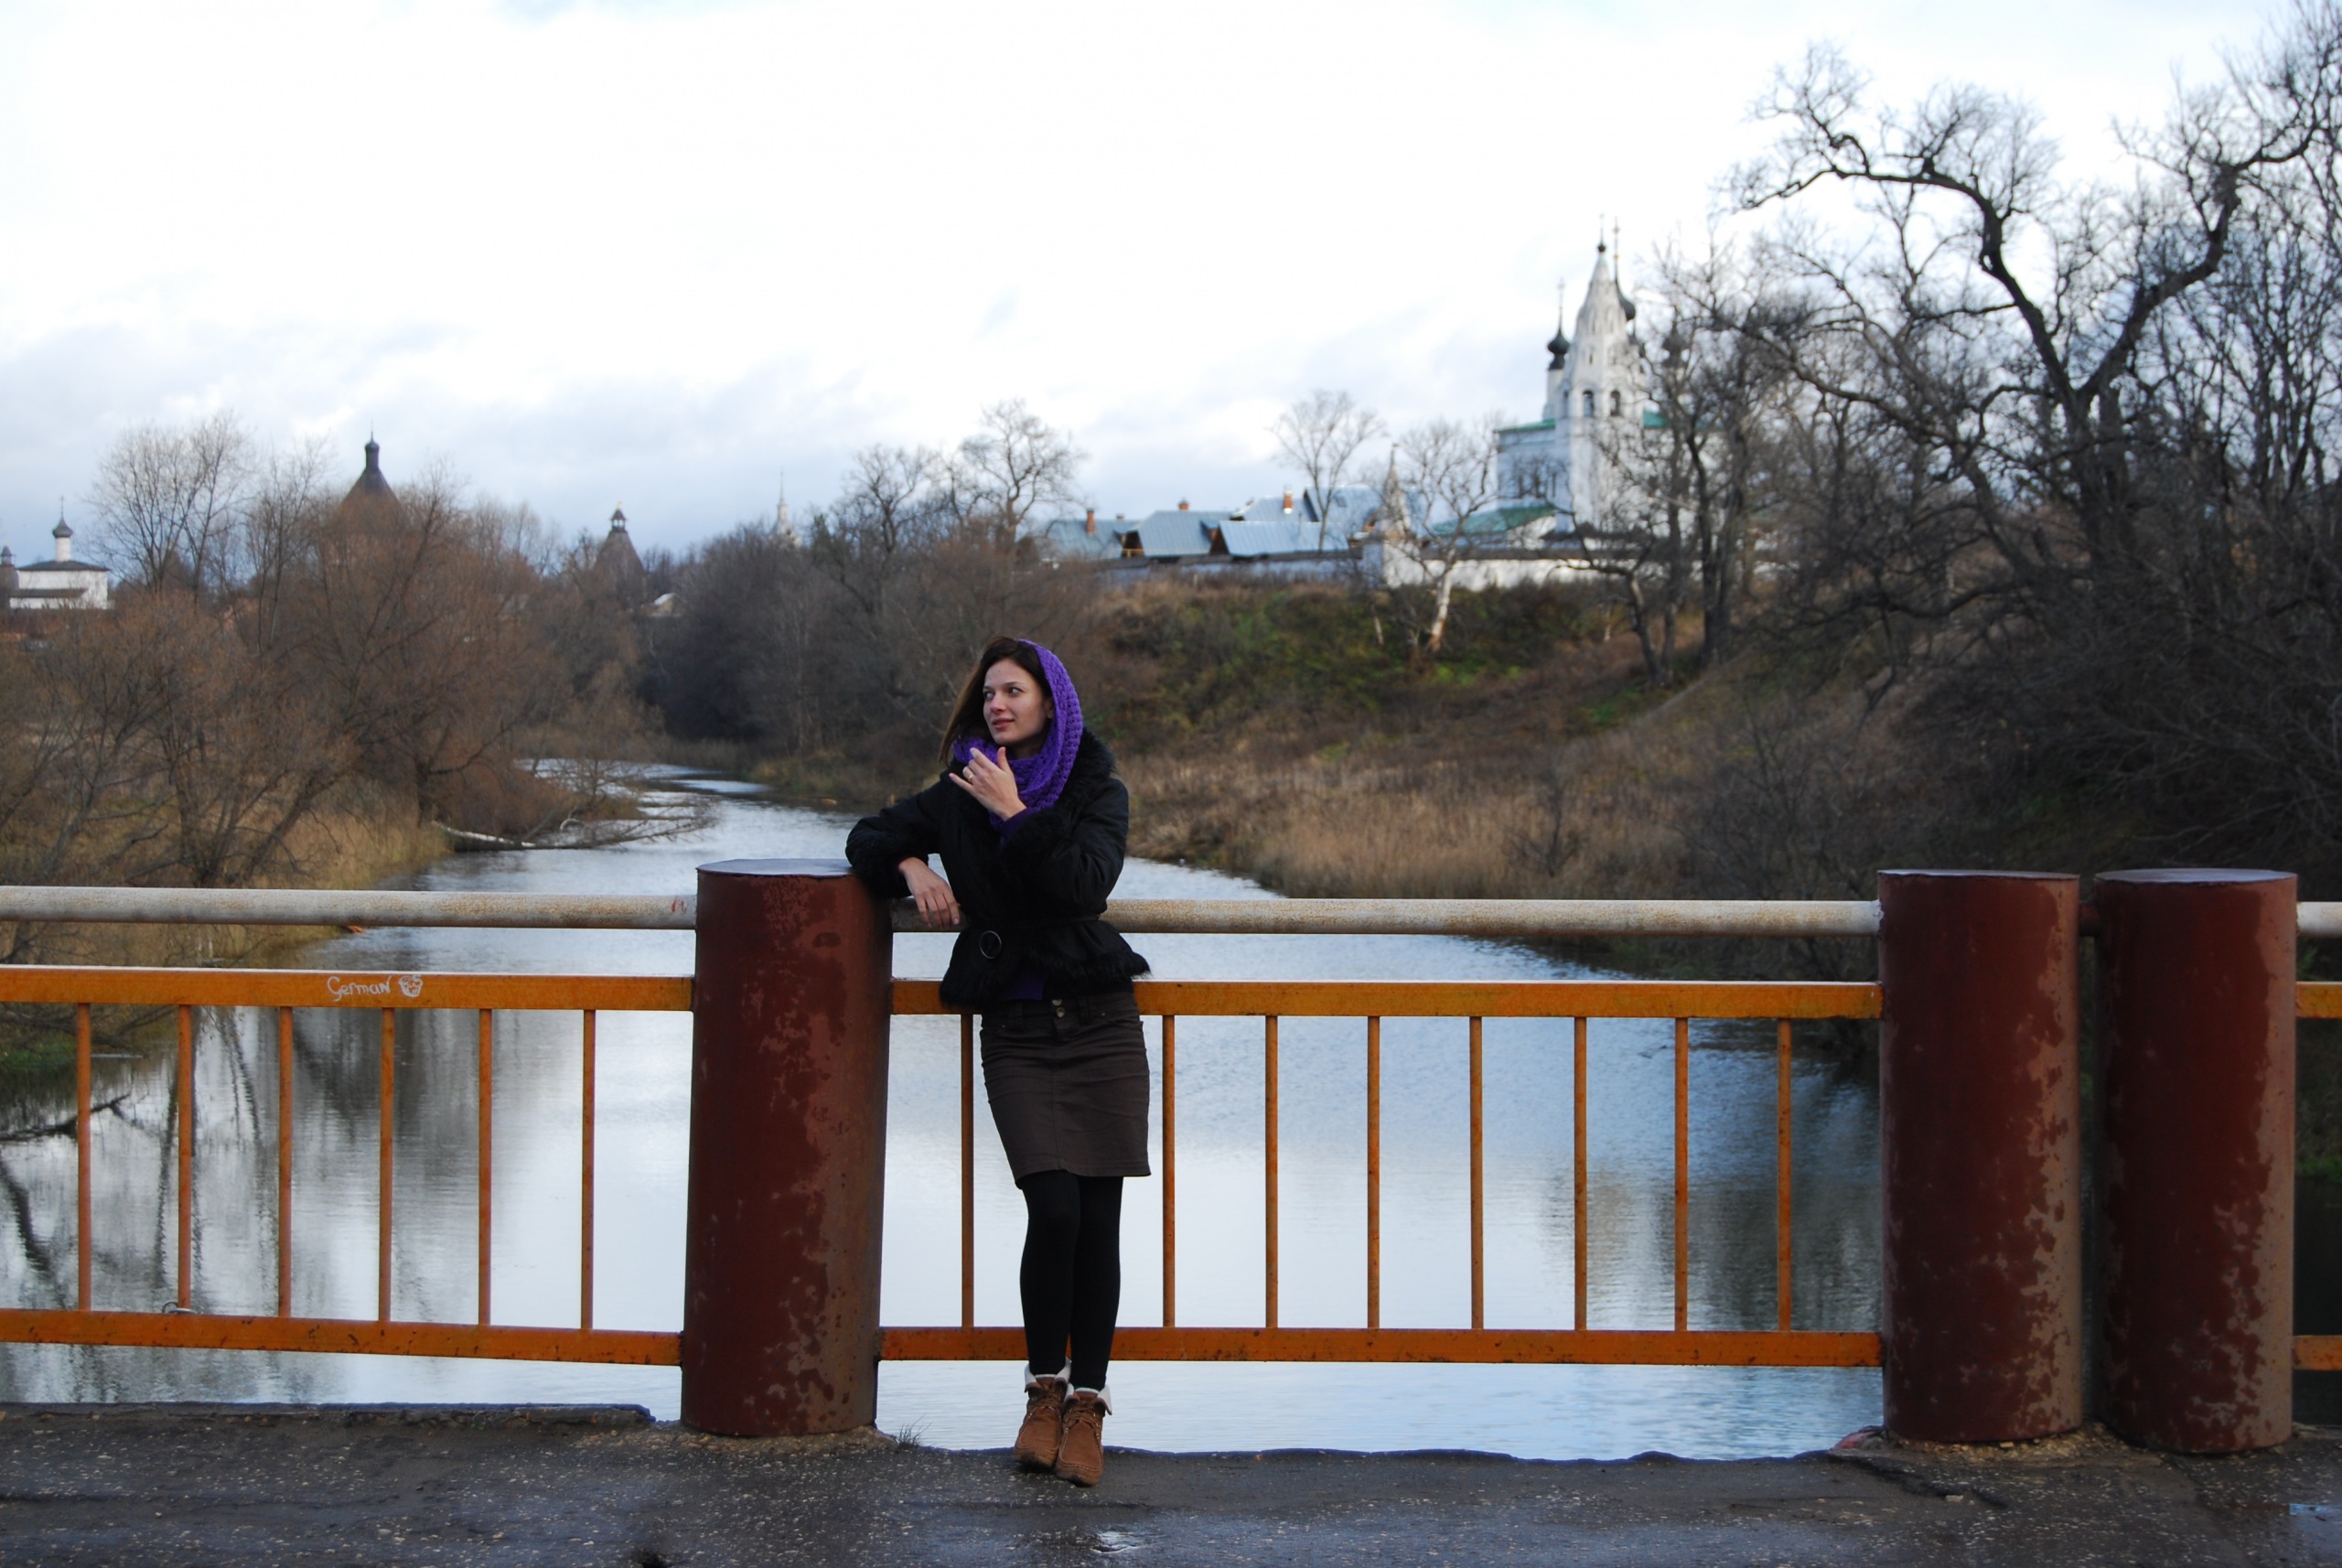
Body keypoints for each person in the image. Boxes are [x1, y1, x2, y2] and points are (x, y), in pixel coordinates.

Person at [846, 636, 1149, 1487]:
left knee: (1098, 1221)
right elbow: (866, 837)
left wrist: (1017, 816)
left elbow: (1085, 886)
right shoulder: (960, 787)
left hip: (1097, 1021)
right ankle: (1041, 1393)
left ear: (1051, 701)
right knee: (1053, 1210)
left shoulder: (1096, 788)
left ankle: (1086, 1407)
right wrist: (911, 863)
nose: (997, 706)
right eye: (988, 695)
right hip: (1016, 1030)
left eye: (1013, 691)